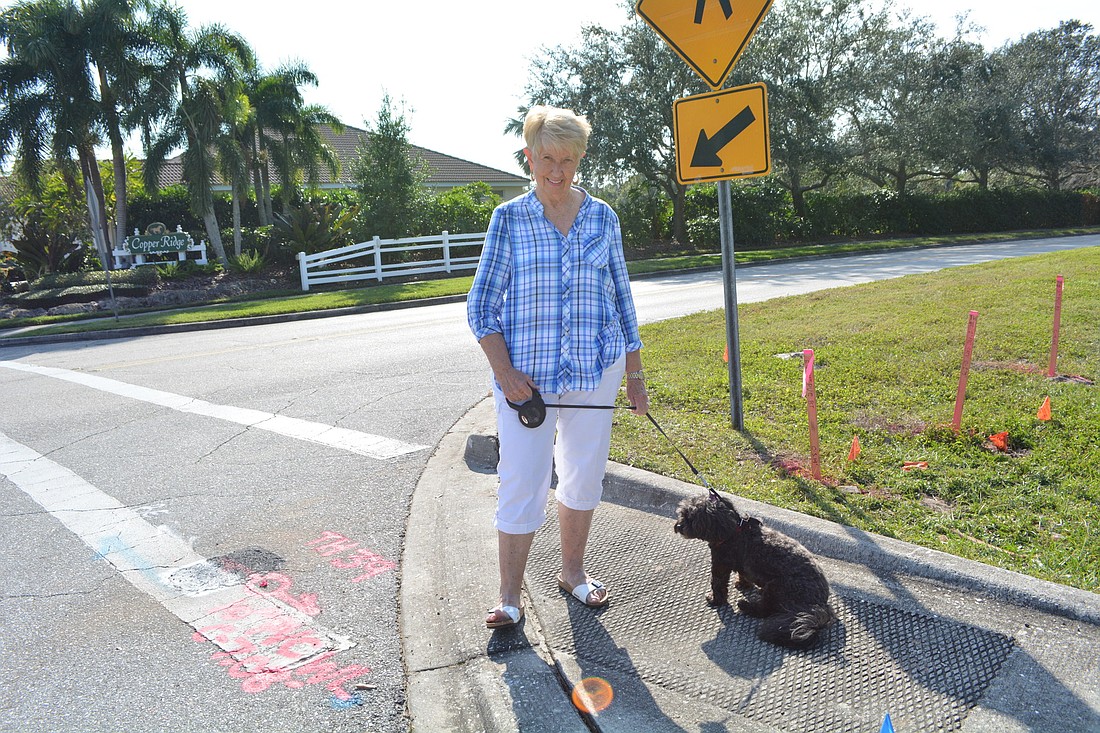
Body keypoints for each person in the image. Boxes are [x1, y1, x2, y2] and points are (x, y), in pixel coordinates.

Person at [467, 105, 649, 629]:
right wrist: (503, 374)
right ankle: (508, 597)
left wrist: (635, 375)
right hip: (527, 385)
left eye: (567, 160)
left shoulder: (603, 218)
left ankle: (573, 573)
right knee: (522, 479)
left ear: (579, 160)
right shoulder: (508, 220)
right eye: (547, 158)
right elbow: (481, 306)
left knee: (583, 473)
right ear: (529, 157)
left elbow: (622, 299)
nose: (556, 170)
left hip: (595, 372)